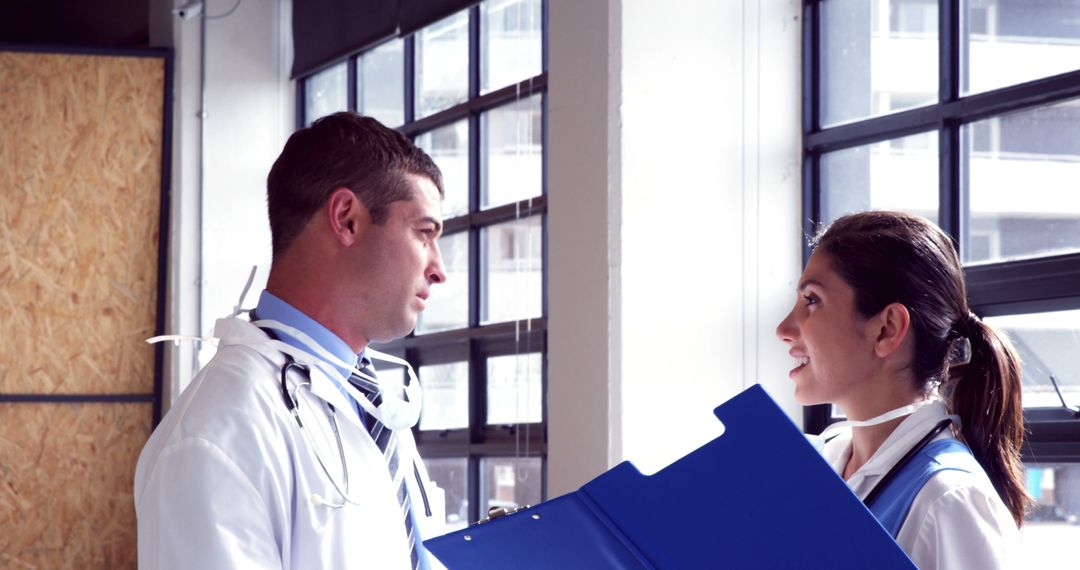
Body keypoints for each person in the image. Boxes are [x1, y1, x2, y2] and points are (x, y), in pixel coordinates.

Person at [135, 112, 449, 569]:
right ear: (347, 219)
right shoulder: (214, 437)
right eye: (425, 233)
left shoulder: (373, 411)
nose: (439, 269)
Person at [776, 210, 1029, 569]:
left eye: (812, 300)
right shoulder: (820, 464)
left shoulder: (949, 500)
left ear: (887, 329)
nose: (784, 328)